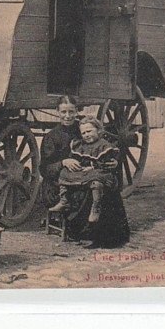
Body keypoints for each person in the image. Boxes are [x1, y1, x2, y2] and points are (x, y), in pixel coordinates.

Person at [40, 96, 129, 247]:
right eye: (63, 112)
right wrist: (63, 162)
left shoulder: (84, 127)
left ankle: (109, 236)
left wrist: (114, 161)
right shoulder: (51, 136)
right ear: (57, 112)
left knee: (104, 186)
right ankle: (86, 234)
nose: (67, 116)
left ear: (77, 111)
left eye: (71, 112)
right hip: (60, 182)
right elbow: (44, 169)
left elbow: (107, 146)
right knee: (85, 191)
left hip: (88, 174)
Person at [48, 116, 119, 224]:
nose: (87, 135)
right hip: (84, 172)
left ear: (98, 130)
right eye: (84, 133)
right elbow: (78, 157)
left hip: (98, 172)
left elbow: (105, 163)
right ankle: (64, 201)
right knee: (63, 173)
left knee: (97, 183)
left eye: (89, 131)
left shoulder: (104, 146)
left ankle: (96, 207)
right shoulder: (81, 145)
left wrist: (93, 166)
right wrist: (75, 163)